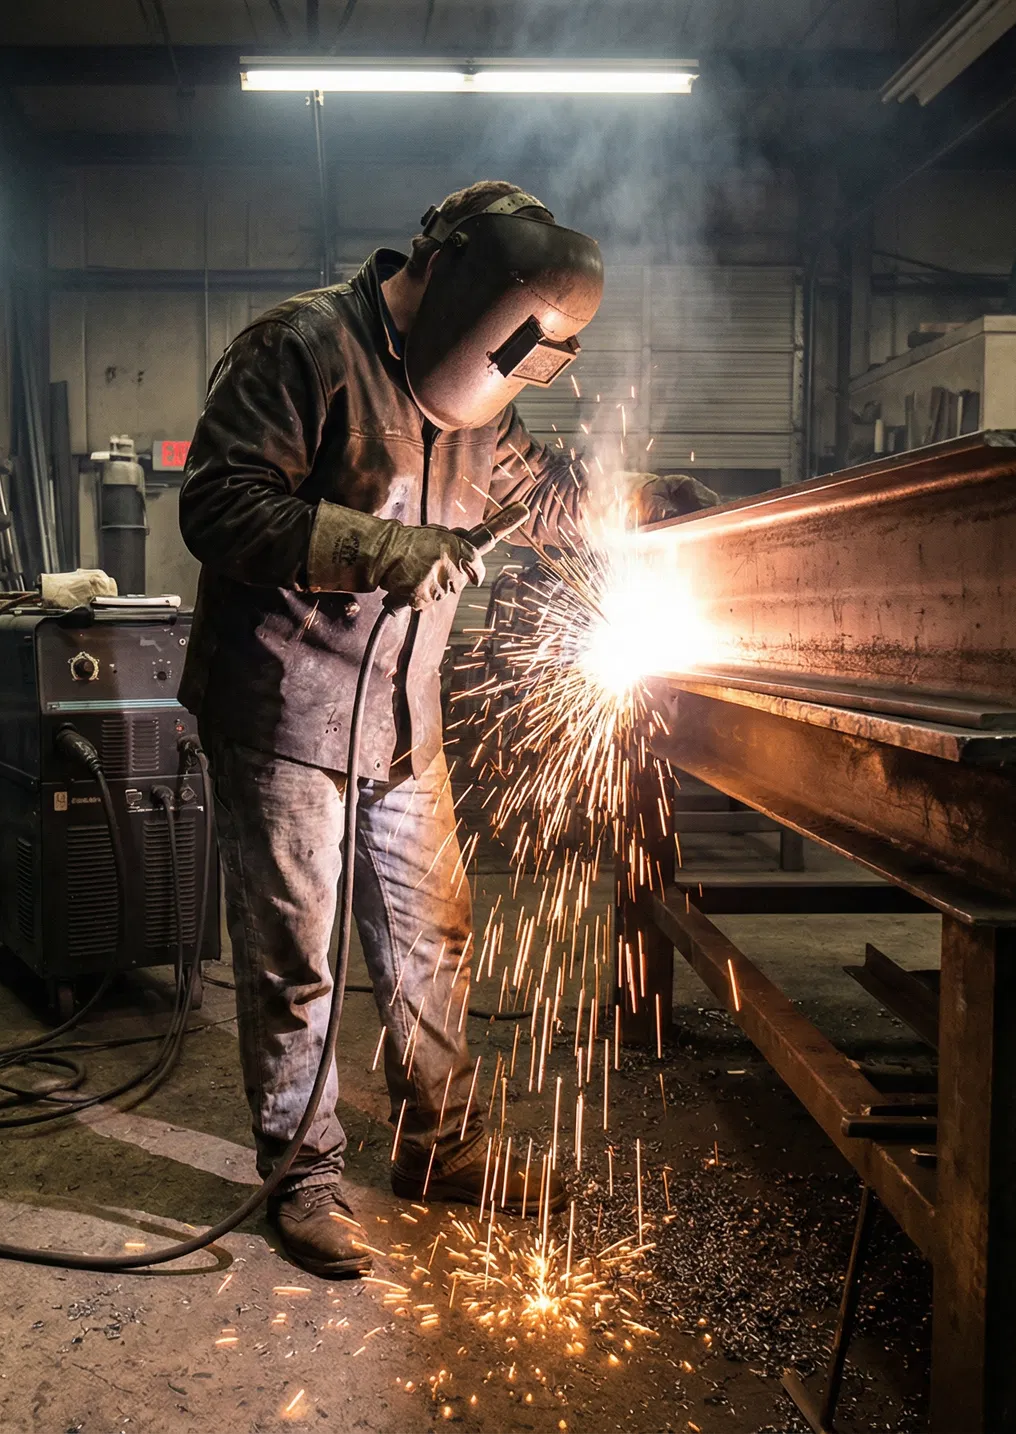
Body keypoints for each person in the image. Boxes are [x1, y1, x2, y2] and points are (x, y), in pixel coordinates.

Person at [178, 181, 708, 1278]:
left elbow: (543, 495)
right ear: (455, 277)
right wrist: (384, 550)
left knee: (434, 937)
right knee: (295, 961)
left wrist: (649, 500)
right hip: (282, 710)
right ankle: (304, 1177)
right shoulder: (301, 348)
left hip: (405, 716)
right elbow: (219, 505)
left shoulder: (480, 401)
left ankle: (444, 1149)